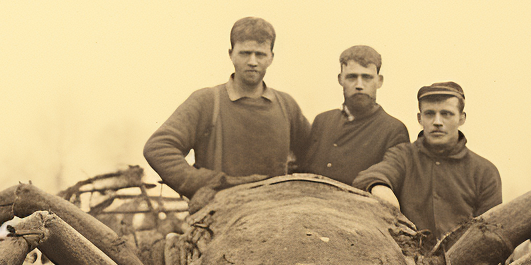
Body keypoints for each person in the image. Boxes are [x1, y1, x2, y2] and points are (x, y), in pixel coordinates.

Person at [143, 16, 310, 199]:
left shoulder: (286, 106)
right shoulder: (207, 101)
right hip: (221, 213)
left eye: (260, 54)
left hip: (275, 213)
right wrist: (211, 183)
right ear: (231, 54)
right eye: (245, 53)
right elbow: (158, 147)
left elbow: (312, 155)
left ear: (271, 57)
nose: (252, 61)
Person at [353, 81, 501, 244]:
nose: (437, 122)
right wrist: (380, 189)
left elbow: (490, 234)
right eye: (430, 114)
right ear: (420, 118)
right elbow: (369, 177)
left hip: (464, 264)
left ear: (461, 118)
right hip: (409, 260)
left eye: (446, 114)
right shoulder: (403, 156)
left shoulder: (485, 171)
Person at [299, 45, 409, 186]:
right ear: (340, 79)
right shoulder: (323, 121)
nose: (359, 85)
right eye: (352, 77)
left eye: (367, 77)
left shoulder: (394, 130)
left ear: (379, 81)